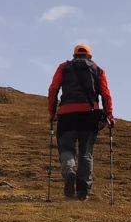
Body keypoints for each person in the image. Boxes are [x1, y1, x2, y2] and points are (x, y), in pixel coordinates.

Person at [48, 43, 113, 200]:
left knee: (66, 148)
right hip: (90, 115)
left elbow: (53, 89)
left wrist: (52, 112)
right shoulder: (98, 70)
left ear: (74, 55)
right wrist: (109, 116)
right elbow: (105, 94)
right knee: (86, 152)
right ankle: (82, 192)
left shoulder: (63, 67)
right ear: (90, 56)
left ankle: (69, 171)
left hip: (67, 113)